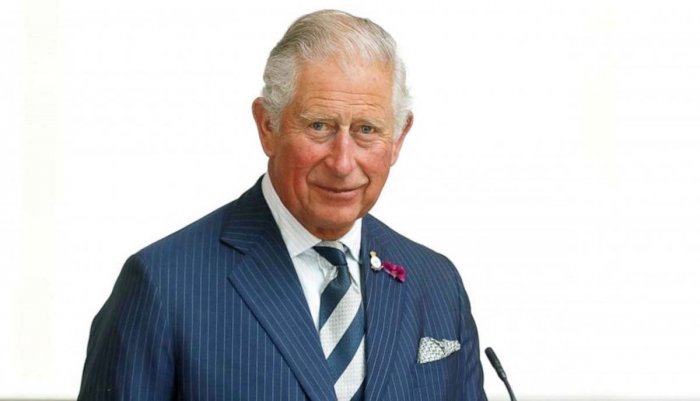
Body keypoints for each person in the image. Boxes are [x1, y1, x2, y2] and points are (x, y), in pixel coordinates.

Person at [78, 9, 486, 401]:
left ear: (397, 138)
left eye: (366, 130)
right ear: (267, 126)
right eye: (319, 126)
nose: (343, 163)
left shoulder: (437, 284)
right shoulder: (163, 285)